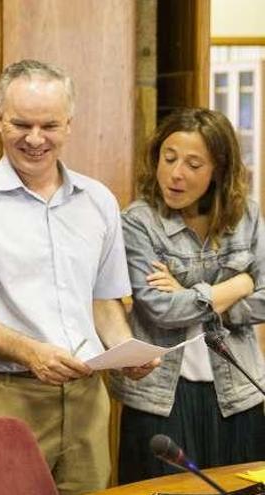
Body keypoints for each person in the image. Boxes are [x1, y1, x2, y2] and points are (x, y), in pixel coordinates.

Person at [0, 59, 156, 495]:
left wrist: (124, 351)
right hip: (5, 397)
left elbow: (104, 300)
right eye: (20, 124)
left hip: (89, 401)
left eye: (49, 124)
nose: (35, 139)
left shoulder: (99, 201)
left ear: (69, 124)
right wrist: (31, 353)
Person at [112, 107, 265, 482]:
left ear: (219, 170)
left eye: (194, 164)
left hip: (237, 392)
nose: (176, 174)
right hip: (161, 398)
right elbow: (161, 309)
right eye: (169, 158)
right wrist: (237, 285)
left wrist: (191, 294)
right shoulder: (139, 221)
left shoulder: (247, 215)